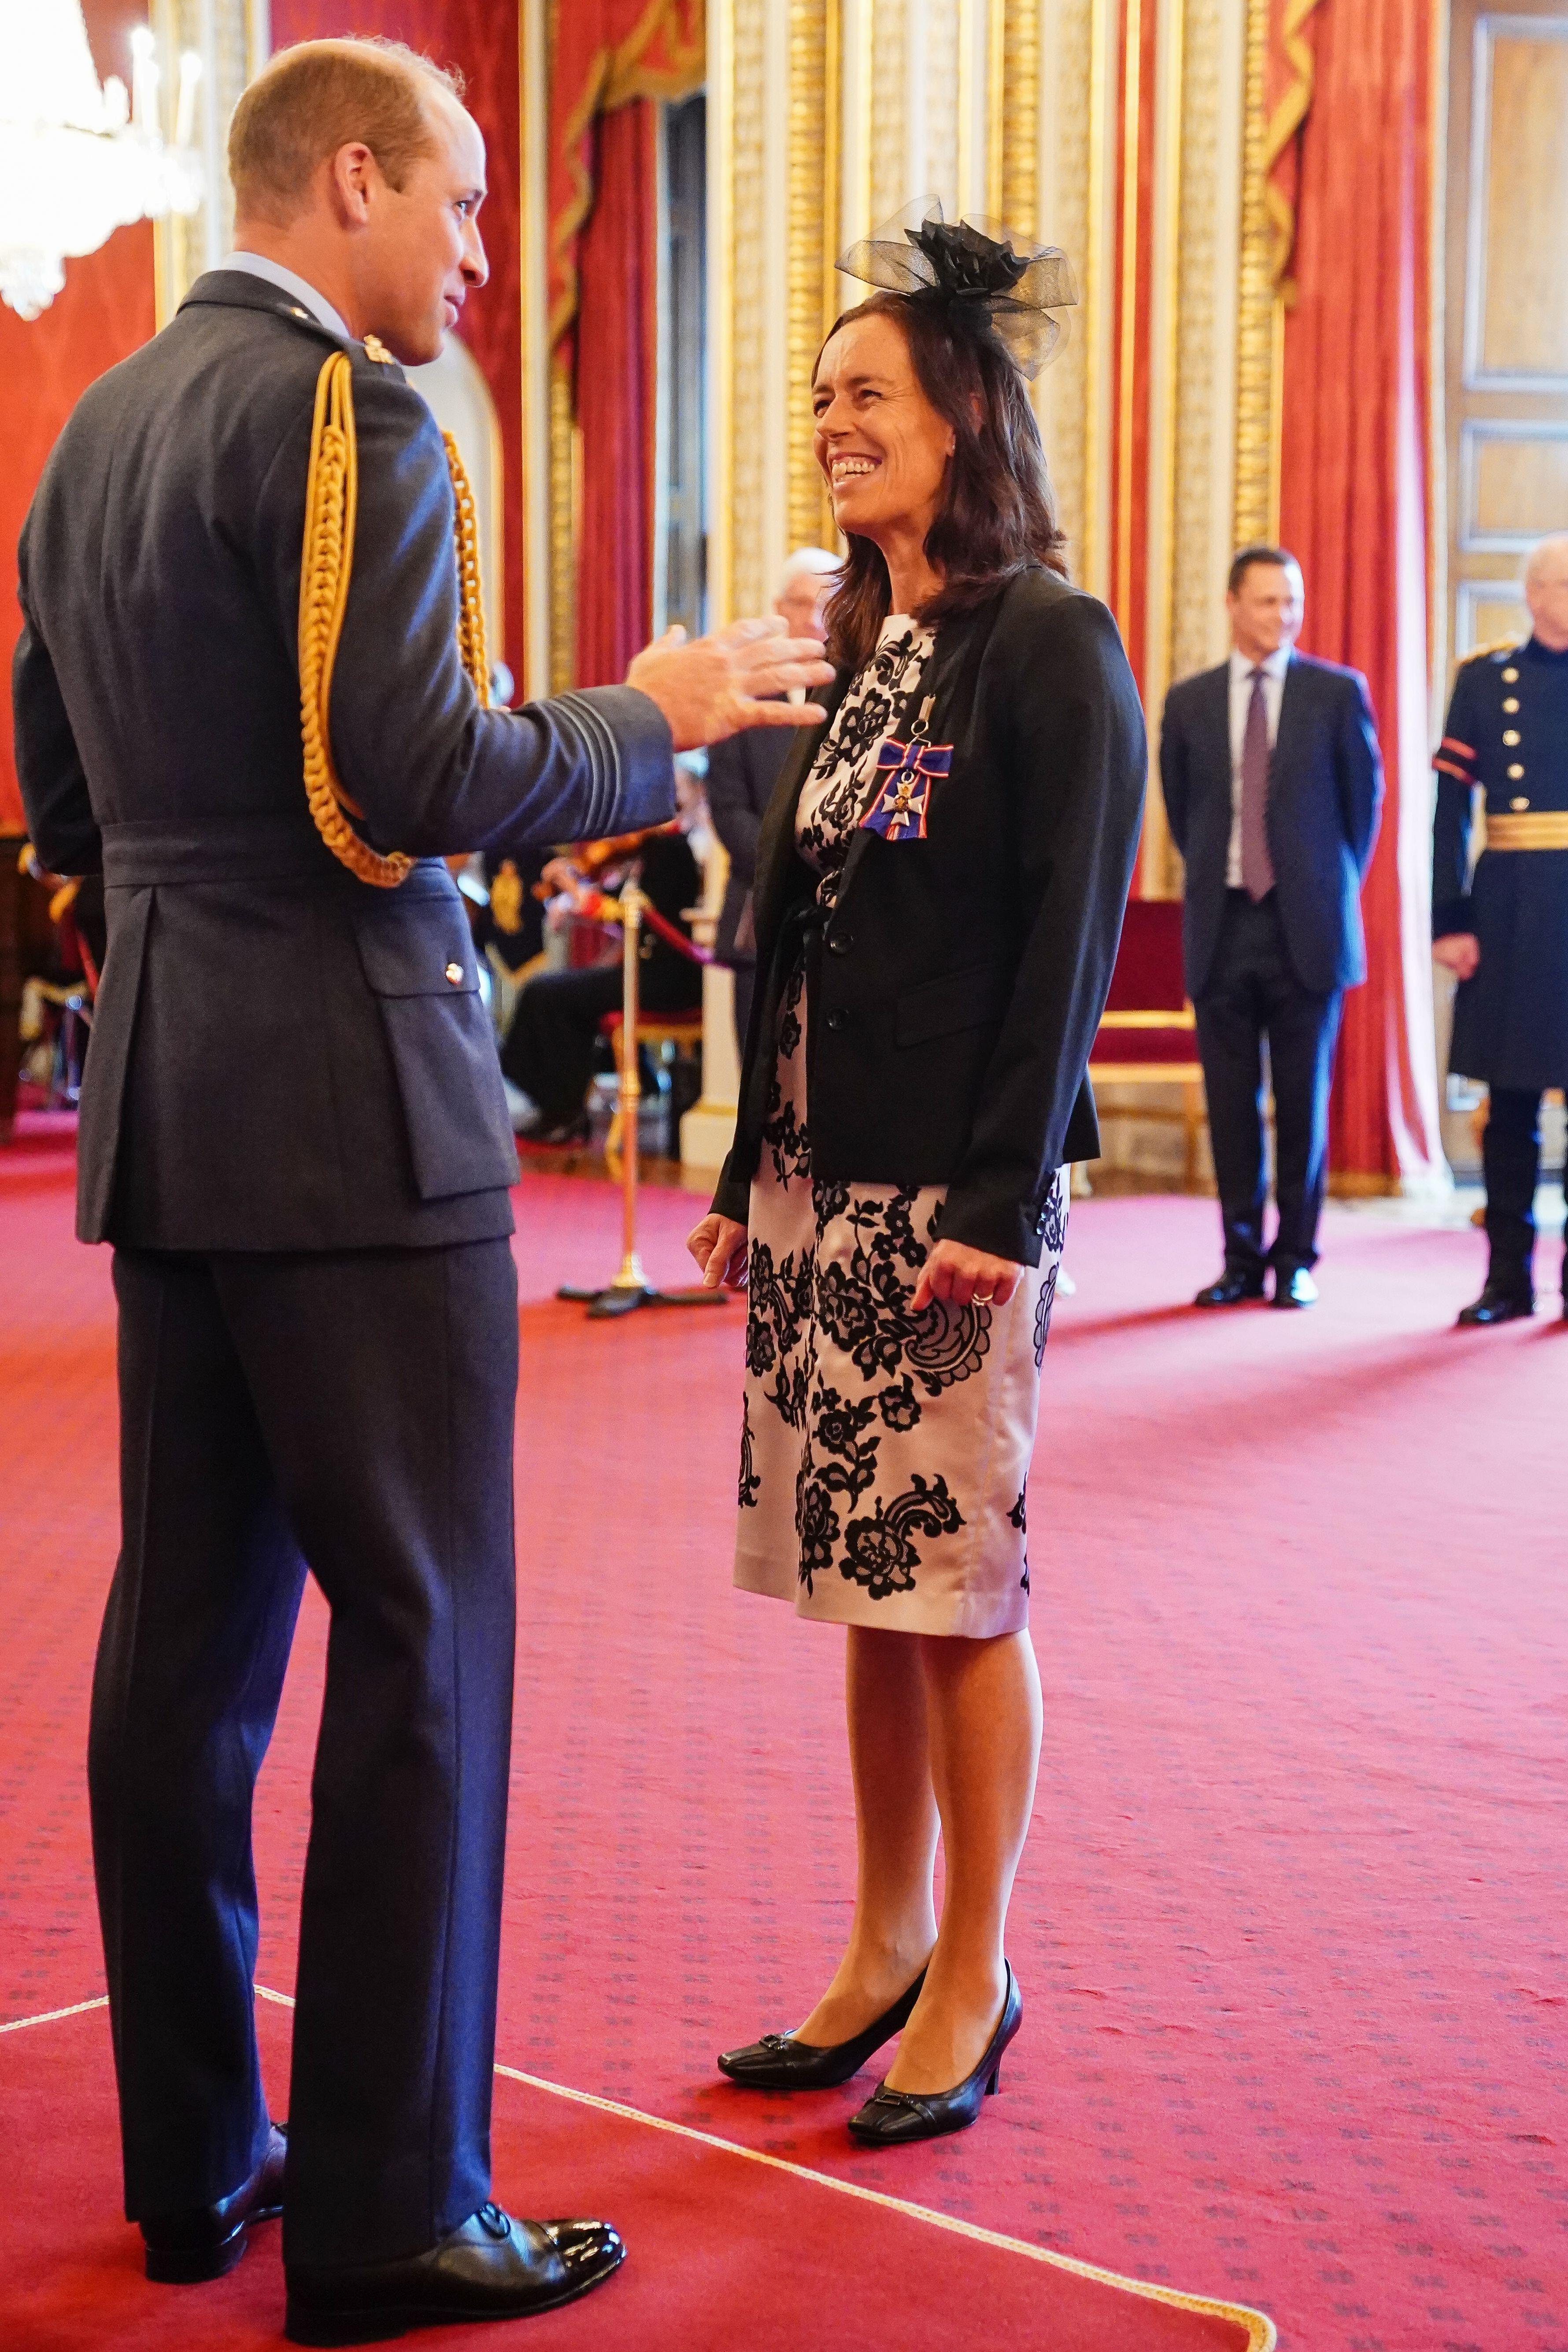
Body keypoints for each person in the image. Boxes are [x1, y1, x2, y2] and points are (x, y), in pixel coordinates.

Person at [11, 37, 831, 2346]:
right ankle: (389, 2206)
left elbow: (54, 763)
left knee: (180, 1654)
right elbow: (424, 770)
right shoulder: (357, 416)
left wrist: (170, 942)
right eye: (462, 204)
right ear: (348, 178)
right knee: (423, 1643)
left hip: (173, 1098)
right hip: (364, 1119)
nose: (479, 250)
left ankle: (200, 2164)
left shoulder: (89, 431)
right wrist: (650, 704)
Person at [685, 203, 1145, 2147]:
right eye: (815, 400)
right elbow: (782, 929)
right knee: (856, 1582)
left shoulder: (1045, 641)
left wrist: (988, 1196)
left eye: (862, 391)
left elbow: (1061, 944)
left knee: (953, 1589)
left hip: (943, 1207)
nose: (828, 423)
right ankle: (876, 1941)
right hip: (815, 1187)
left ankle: (974, 1958)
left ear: (962, 406)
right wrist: (734, 1160)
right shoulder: (873, 647)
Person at [1160, 547, 1383, 1309]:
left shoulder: (1336, 694)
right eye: (1267, 602)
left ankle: (1297, 1259)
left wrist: (1317, 884)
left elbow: (1364, 815)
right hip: (1223, 927)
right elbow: (1183, 813)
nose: (1283, 615)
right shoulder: (1189, 703)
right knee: (1231, 1108)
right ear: (1232, 604)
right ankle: (1239, 1258)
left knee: (1302, 1104)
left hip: (1306, 931)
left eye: (1292, 601)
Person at [1433, 535, 1568, 1325]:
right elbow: (1450, 813)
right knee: (1510, 1105)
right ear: (1534, 593)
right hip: (1512, 907)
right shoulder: (1485, 681)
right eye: (1563, 582)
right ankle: (1507, 1280)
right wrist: (1450, 918)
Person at [500, 765, 706, 1143]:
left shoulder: (673, 848)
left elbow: (640, 913)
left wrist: (581, 899)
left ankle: (563, 1111)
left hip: (665, 980)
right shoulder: (654, 848)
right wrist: (580, 896)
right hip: (647, 971)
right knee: (550, 991)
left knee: (551, 995)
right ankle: (557, 1106)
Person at [706, 547, 840, 1047]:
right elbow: (727, 809)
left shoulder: (857, 692)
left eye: (825, 605)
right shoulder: (742, 696)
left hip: (836, 920)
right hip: (757, 918)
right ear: (777, 609)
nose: (812, 619)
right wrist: (784, 863)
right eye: (800, 604)